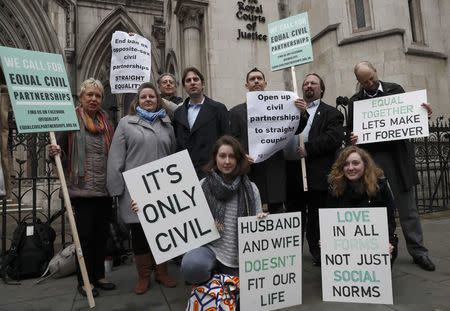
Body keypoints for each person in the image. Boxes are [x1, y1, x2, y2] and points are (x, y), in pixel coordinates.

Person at [348, 61, 435, 271]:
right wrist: (354, 137)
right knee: (374, 210)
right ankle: (377, 252)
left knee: (408, 210)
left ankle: (419, 252)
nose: (369, 83)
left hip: (397, 160)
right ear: (359, 82)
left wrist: (424, 115)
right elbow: (352, 134)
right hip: (371, 162)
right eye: (364, 81)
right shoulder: (354, 102)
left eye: (372, 78)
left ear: (376, 71)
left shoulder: (395, 90)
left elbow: (409, 118)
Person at [107, 82, 177, 294]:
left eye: (152, 97)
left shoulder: (167, 124)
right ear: (137, 101)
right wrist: (116, 191)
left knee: (163, 231)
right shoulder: (126, 123)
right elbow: (116, 158)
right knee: (139, 233)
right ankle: (144, 276)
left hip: (162, 189)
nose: (148, 100)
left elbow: (173, 154)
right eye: (144, 97)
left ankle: (162, 272)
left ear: (158, 101)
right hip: (135, 190)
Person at [48, 78, 115, 297]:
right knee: (84, 237)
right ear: (81, 97)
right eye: (90, 95)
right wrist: (55, 153)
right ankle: (84, 281)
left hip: (104, 189)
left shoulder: (107, 122)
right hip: (81, 189)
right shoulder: (70, 119)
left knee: (101, 235)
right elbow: (60, 153)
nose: (94, 99)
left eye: (98, 96)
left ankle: (99, 275)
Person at [178, 135, 266, 284]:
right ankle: (208, 281)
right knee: (192, 265)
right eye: (222, 156)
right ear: (215, 158)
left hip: (239, 256)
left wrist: (262, 219)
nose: (226, 161)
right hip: (211, 250)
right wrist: (142, 208)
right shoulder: (203, 185)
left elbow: (257, 228)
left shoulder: (251, 189)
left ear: (238, 159)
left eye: (232, 156)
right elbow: (178, 213)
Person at [287, 73, 345, 266]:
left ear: (321, 89)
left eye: (313, 83)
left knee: (316, 217)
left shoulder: (332, 113)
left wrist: (308, 149)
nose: (309, 85)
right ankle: (292, 254)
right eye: (305, 83)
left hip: (317, 174)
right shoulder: (292, 110)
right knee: (295, 216)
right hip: (294, 173)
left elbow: (333, 138)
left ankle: (318, 251)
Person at [327, 146, 398, 262]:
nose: (350, 168)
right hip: (344, 247)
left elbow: (389, 220)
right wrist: (326, 241)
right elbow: (330, 222)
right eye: (346, 164)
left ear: (365, 165)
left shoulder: (380, 187)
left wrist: (388, 242)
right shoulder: (335, 188)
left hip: (374, 247)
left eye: (355, 163)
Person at [230, 68, 285, 214]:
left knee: (277, 216)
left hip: (274, 171)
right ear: (246, 85)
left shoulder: (279, 109)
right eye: (252, 79)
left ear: (265, 83)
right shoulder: (235, 112)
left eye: (259, 78)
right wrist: (242, 156)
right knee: (250, 213)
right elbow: (232, 140)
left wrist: (302, 113)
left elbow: (293, 129)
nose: (256, 81)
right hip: (249, 170)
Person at [173, 67, 229, 179]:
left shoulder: (218, 108)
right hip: (186, 172)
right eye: (188, 81)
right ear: (184, 87)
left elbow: (226, 139)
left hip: (212, 170)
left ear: (202, 84)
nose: (192, 83)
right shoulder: (178, 113)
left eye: (195, 79)